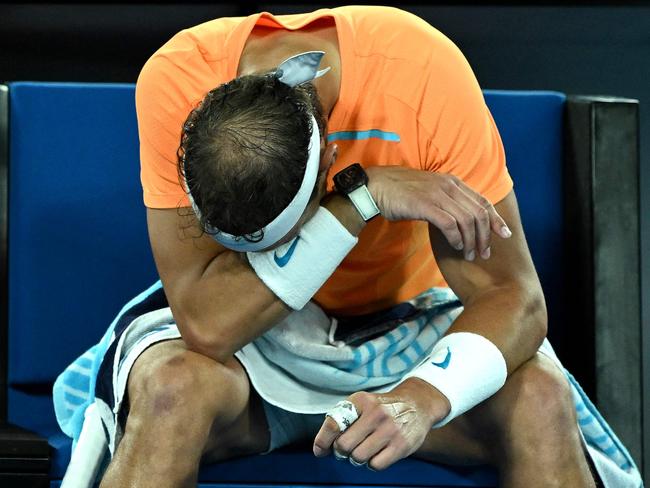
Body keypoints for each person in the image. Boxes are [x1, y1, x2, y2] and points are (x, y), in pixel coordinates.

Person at [84, 5, 640, 488]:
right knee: (168, 391)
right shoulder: (176, 78)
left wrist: (420, 399)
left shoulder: (423, 72)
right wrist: (359, 200)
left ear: (328, 162)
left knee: (542, 400)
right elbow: (208, 324)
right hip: (253, 338)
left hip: (409, 328)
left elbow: (516, 300)